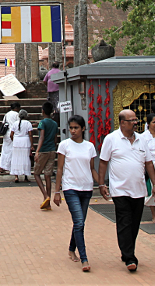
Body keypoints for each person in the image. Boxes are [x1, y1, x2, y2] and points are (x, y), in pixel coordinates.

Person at [98, 109, 155, 272]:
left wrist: (154, 184)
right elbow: (103, 162)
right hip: (119, 190)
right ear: (122, 122)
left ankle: (127, 251)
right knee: (124, 221)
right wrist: (101, 183)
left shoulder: (142, 140)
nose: (135, 123)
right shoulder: (111, 139)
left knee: (134, 223)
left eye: (136, 120)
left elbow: (148, 163)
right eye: (132, 120)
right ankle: (130, 257)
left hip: (138, 190)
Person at [54, 115, 98, 272]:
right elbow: (60, 169)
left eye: (76, 128)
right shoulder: (64, 145)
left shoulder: (89, 146)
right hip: (70, 187)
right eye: (71, 128)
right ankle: (84, 258)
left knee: (79, 222)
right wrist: (57, 191)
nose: (73, 131)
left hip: (86, 188)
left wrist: (102, 185)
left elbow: (92, 168)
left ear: (83, 128)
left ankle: (72, 248)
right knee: (79, 222)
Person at [34, 102, 59, 209]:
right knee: (48, 175)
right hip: (52, 150)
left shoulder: (42, 123)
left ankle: (45, 195)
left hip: (44, 150)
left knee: (36, 173)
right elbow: (55, 138)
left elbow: (41, 137)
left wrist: (37, 151)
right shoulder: (54, 123)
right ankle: (47, 202)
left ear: (43, 111)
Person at [10, 109, 33, 182]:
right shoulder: (28, 123)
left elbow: (11, 134)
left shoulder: (15, 123)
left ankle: (16, 176)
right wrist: (32, 144)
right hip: (25, 142)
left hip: (16, 142)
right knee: (25, 159)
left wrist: (14, 140)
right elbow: (30, 135)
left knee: (16, 159)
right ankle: (26, 176)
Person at [0, 102, 20, 174]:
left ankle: (2, 166)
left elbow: (3, 122)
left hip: (6, 133)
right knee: (12, 150)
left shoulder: (7, 114)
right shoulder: (17, 115)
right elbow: (18, 124)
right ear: (16, 108)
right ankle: (10, 167)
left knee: (4, 150)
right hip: (13, 133)